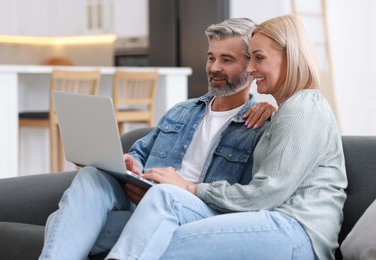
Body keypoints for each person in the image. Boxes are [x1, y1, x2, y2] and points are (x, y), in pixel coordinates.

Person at [107, 14, 347, 260]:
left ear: (290, 56)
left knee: (159, 240)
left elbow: (264, 193)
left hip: (297, 232)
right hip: (276, 225)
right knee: (149, 235)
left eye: (259, 58)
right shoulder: (289, 110)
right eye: (251, 58)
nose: (251, 69)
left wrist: (190, 187)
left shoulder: (302, 108)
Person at [39, 18, 276, 260]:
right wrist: (133, 165)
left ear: (250, 66)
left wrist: (182, 190)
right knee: (92, 176)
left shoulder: (259, 125)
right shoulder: (182, 111)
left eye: (226, 60)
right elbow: (141, 152)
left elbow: (251, 196)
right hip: (145, 202)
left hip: (196, 211)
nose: (214, 67)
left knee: (60, 223)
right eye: (211, 58)